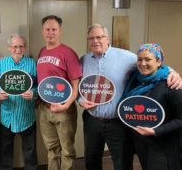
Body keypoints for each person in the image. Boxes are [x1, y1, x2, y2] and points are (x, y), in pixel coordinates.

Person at [78, 23, 182, 170]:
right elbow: (77, 85)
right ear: (88, 41)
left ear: (107, 39)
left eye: (99, 37)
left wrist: (174, 73)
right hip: (92, 121)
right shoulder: (84, 60)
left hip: (118, 122)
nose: (95, 41)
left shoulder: (125, 57)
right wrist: (80, 100)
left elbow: (151, 62)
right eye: (91, 38)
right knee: (91, 160)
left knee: (122, 162)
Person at [121, 43, 182, 170]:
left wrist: (156, 131)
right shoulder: (134, 82)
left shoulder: (172, 84)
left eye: (148, 59)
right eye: (140, 59)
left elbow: (180, 119)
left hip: (164, 145)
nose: (143, 63)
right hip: (142, 143)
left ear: (159, 61)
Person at [37, 15, 82, 170]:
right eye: (47, 29)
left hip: (64, 109)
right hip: (44, 108)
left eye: (54, 29)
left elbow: (76, 85)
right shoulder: (42, 51)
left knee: (67, 150)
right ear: (42, 31)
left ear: (60, 31)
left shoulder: (68, 53)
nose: (50, 32)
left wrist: (67, 105)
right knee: (52, 149)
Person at [0, 34, 38, 170]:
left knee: (30, 151)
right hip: (7, 115)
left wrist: (33, 93)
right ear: (9, 48)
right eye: (15, 46)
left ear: (25, 47)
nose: (18, 49)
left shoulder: (33, 64)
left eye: (21, 46)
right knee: (5, 149)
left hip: (26, 114)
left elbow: (38, 85)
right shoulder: (0, 64)